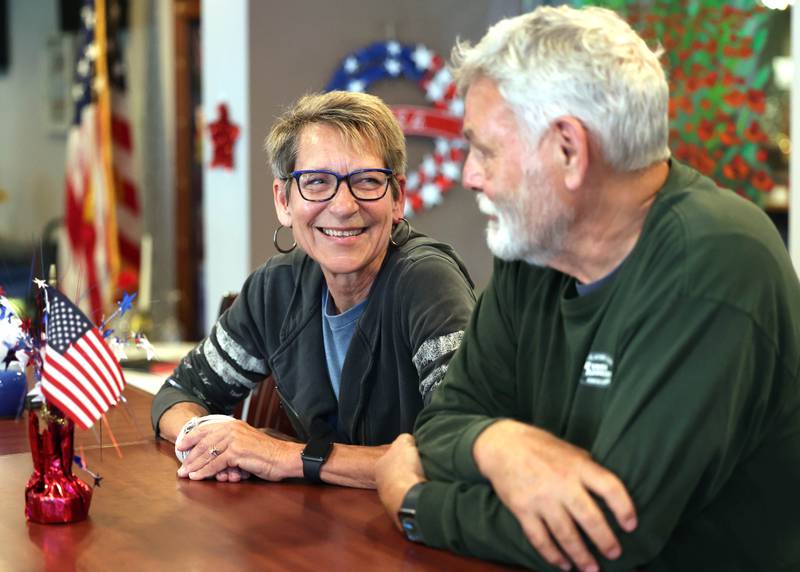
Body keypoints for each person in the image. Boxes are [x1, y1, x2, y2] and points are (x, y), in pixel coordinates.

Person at [375, 5, 800, 571]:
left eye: (484, 149)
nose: (469, 175)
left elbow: (606, 537)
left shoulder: (717, 262)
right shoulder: (537, 251)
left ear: (569, 152)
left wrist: (412, 503)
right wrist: (497, 445)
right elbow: (442, 426)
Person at [151, 90, 476, 488]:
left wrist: (279, 454)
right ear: (283, 200)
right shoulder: (276, 286)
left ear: (397, 199)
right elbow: (180, 391)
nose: (343, 205)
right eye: (317, 182)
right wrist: (210, 445)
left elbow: (457, 451)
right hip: (316, 534)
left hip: (413, 534)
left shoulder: (428, 281)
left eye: (368, 181)